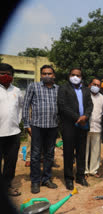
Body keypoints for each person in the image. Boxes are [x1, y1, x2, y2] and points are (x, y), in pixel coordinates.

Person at [22, 65, 59, 194]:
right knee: (35, 155)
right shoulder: (33, 86)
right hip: (37, 126)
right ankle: (35, 181)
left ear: (54, 75)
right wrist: (26, 124)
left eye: (49, 73)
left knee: (49, 154)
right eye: (44, 74)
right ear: (40, 75)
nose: (47, 76)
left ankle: (46, 179)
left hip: (53, 126)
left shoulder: (58, 89)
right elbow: (26, 105)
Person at [57, 68, 93, 190]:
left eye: (78, 75)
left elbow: (90, 105)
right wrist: (78, 117)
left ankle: (80, 176)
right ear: (69, 75)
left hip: (83, 126)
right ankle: (69, 178)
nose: (75, 77)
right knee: (68, 153)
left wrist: (86, 116)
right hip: (69, 126)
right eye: (73, 75)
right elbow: (62, 106)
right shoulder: (63, 88)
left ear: (81, 77)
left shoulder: (86, 90)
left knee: (81, 152)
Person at [0, 63, 23, 197]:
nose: (6, 76)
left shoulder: (17, 91)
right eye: (2, 73)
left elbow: (20, 107)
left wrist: (17, 121)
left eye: (9, 74)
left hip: (13, 133)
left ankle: (7, 186)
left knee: (11, 162)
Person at [85, 78, 103, 178]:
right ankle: (84, 170)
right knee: (84, 150)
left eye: (98, 85)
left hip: (97, 126)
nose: (96, 87)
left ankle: (93, 170)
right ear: (89, 85)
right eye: (94, 84)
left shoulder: (102, 97)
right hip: (85, 126)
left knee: (96, 150)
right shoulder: (85, 95)